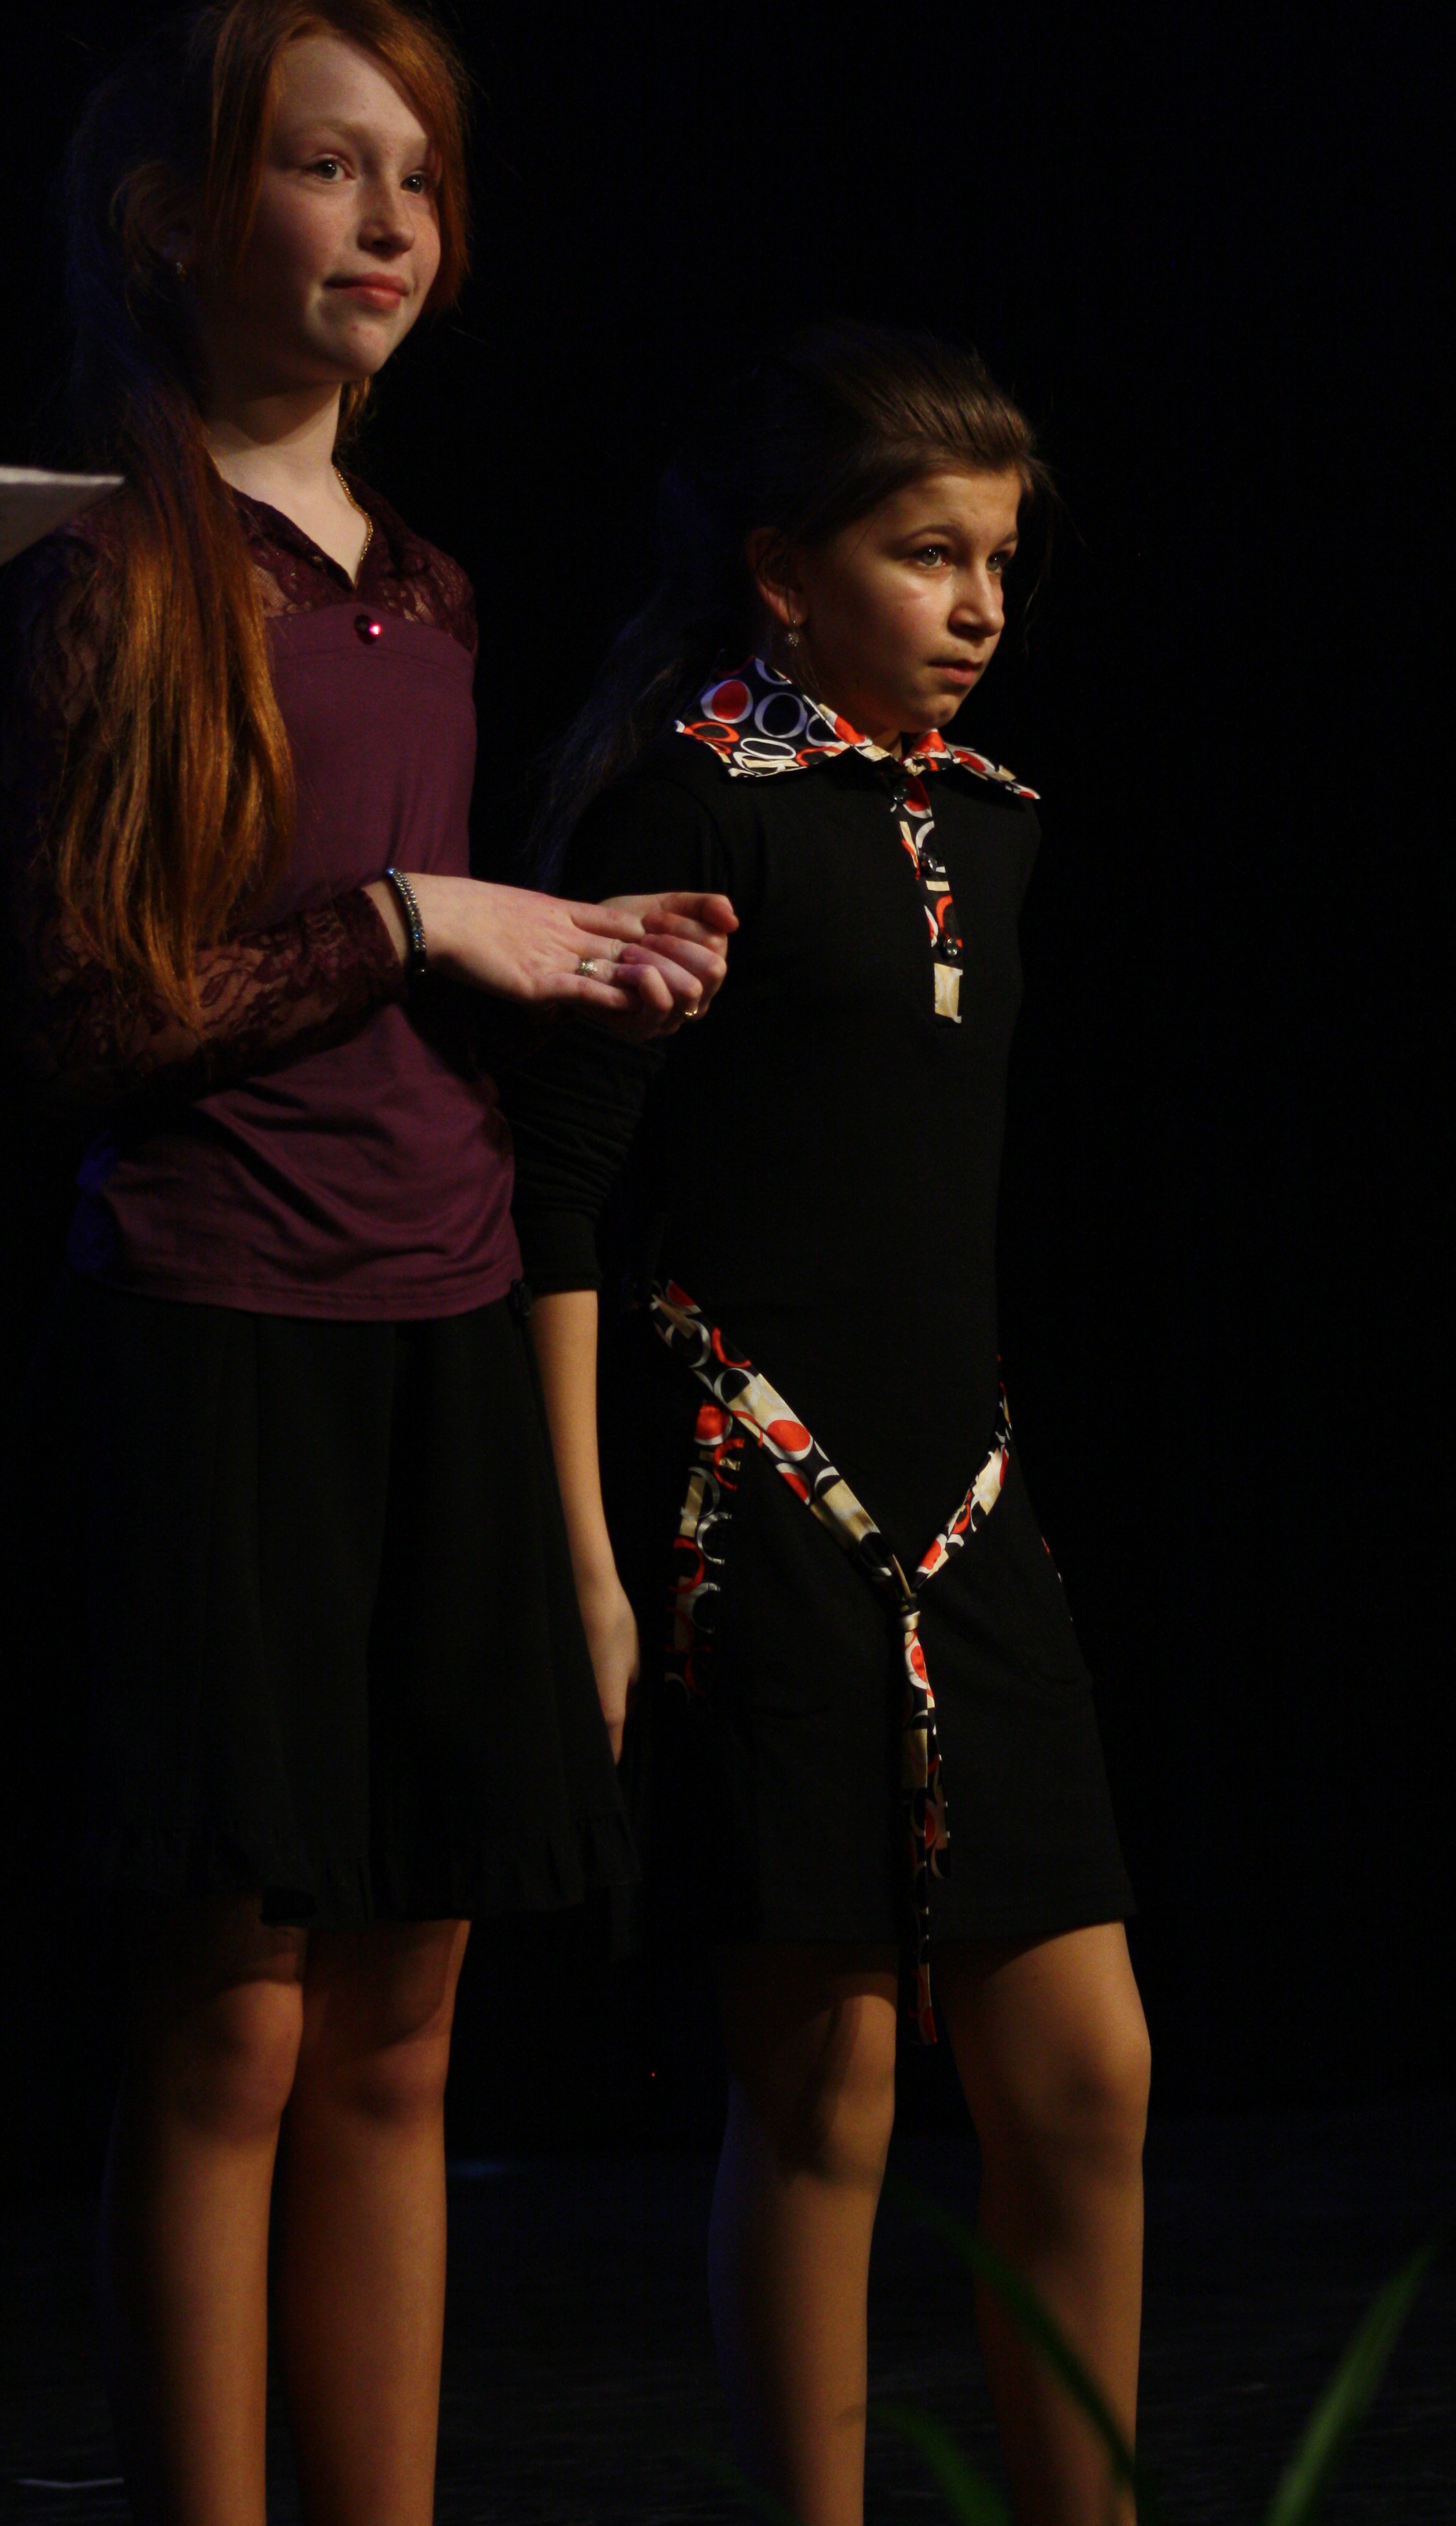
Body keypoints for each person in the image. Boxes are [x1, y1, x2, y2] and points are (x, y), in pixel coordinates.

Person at [0, 6, 731, 2518]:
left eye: (416, 173)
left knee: (406, 2035)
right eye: (327, 167)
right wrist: (419, 918)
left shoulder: (425, 585)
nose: (393, 219)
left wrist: (572, 952)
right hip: (223, 1337)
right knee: (230, 2029)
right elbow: (84, 1020)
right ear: (173, 222)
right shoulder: (96, 567)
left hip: (439, 1328)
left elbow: (406, 964)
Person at [509, 325, 1150, 2526]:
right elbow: (560, 1199)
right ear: (786, 573)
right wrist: (585, 1560)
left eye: (1001, 561)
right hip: (758, 1502)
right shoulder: (691, 808)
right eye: (926, 555)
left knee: (1089, 2081)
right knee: (829, 2101)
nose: (980, 605)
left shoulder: (998, 830)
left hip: (971, 1515)